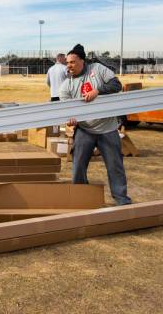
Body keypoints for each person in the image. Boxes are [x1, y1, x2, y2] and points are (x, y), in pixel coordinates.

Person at [59, 44, 132, 206]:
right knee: (78, 166)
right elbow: (67, 110)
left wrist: (97, 91)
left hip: (108, 128)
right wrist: (71, 120)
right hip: (85, 129)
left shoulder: (97, 69)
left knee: (115, 166)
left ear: (82, 61)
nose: (69, 65)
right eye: (67, 63)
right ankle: (81, 199)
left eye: (72, 61)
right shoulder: (66, 85)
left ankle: (122, 200)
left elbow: (116, 85)